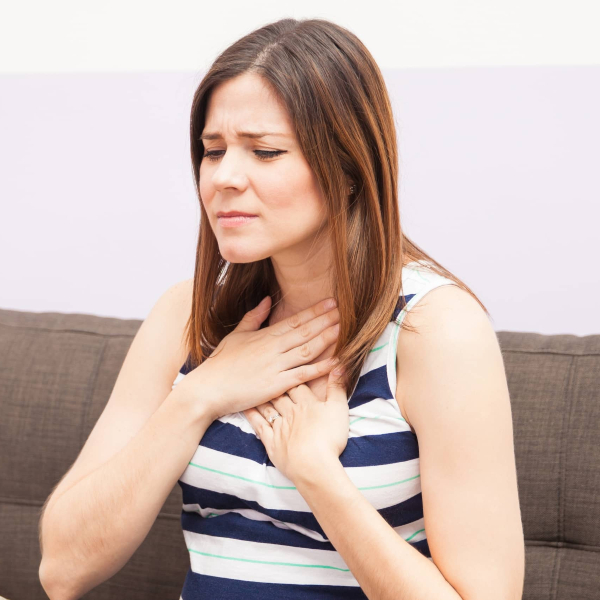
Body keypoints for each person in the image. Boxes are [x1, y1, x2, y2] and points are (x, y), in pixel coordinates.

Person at [39, 17, 525, 600]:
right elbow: (62, 570)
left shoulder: (437, 331)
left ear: (348, 168)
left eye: (265, 152)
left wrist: (316, 473)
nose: (224, 178)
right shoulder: (185, 317)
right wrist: (199, 395)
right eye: (213, 151)